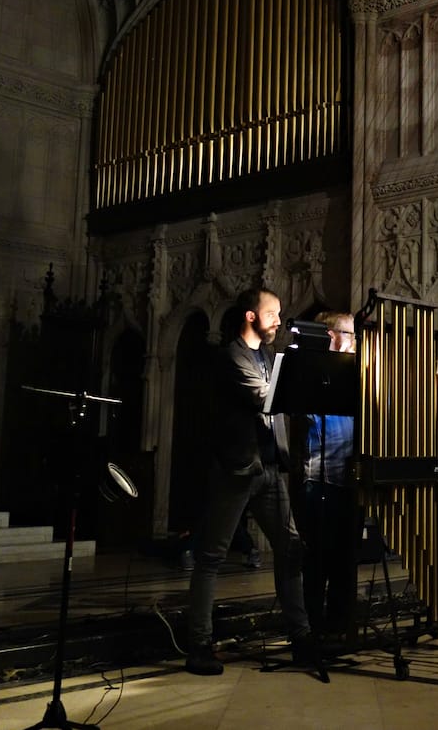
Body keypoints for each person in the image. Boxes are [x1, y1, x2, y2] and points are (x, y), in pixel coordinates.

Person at [185, 287, 313, 676]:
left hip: (270, 469)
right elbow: (264, 398)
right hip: (237, 470)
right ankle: (199, 645)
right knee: (211, 557)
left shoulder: (269, 356)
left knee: (290, 547)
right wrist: (303, 379)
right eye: (272, 314)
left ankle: (302, 638)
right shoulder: (232, 356)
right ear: (251, 316)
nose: (279, 320)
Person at [301, 311, 363, 640]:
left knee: (345, 562)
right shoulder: (315, 371)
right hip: (322, 479)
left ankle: (342, 627)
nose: (356, 341)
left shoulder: (359, 372)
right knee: (318, 561)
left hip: (351, 479)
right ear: (331, 335)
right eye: (350, 334)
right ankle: (312, 628)